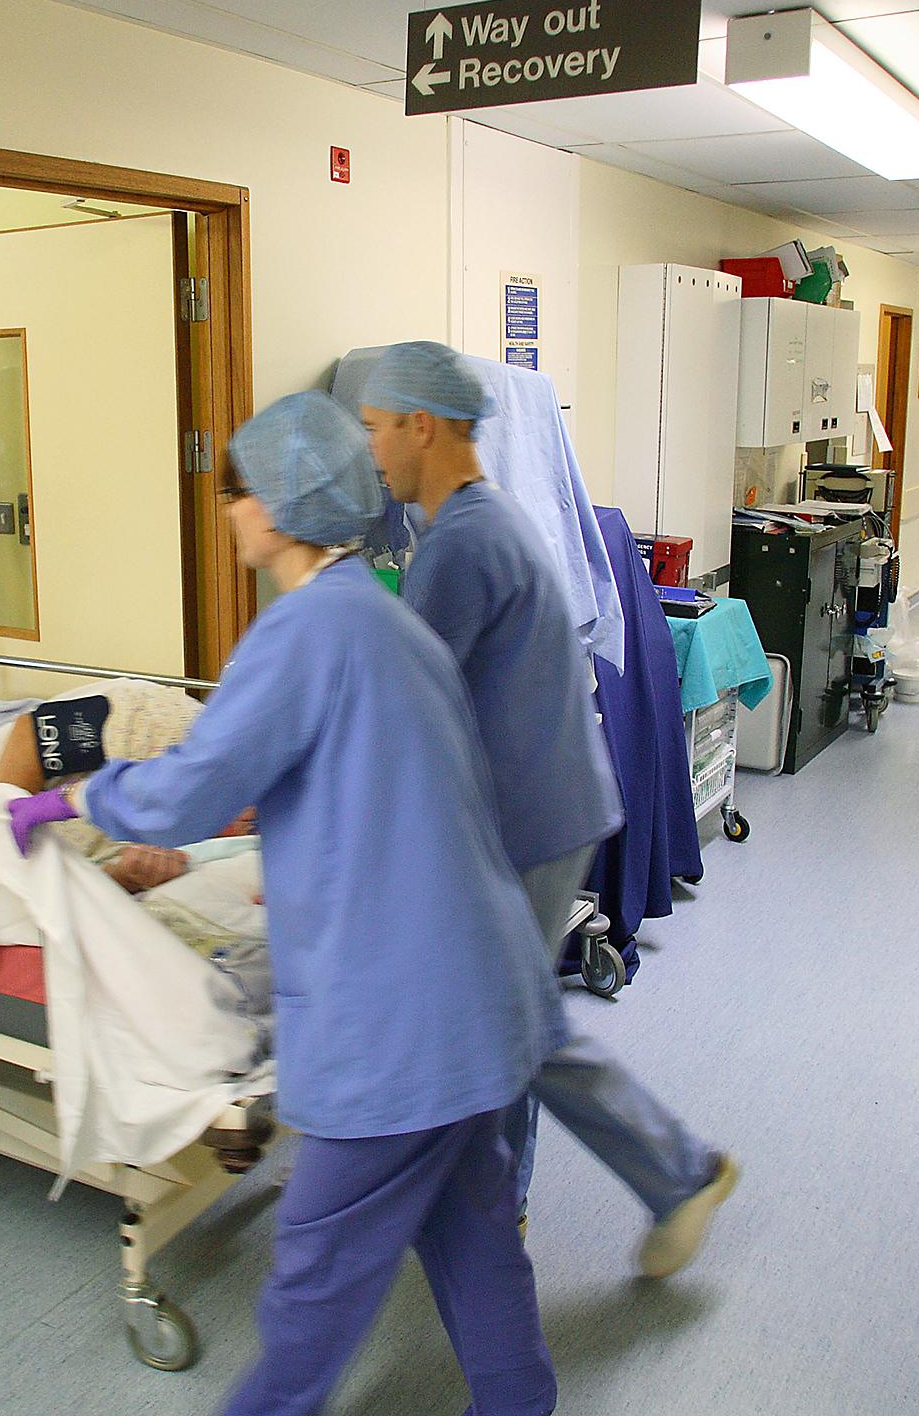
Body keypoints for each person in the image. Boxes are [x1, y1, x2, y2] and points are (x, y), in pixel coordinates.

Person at [9, 390, 563, 1416]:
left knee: (313, 1276)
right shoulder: (382, 619)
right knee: (473, 1239)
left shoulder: (303, 632)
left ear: (270, 505)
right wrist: (307, 846)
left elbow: (188, 790)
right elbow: (394, 785)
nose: (226, 514)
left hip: (392, 1032)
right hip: (475, 1001)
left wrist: (76, 795)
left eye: (232, 494)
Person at [358, 341, 738, 1277]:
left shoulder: (460, 544)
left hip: (527, 826)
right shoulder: (481, 523)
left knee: (513, 1028)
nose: (369, 455)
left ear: (421, 424)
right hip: (541, 811)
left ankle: (656, 1178)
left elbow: (417, 713)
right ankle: (561, 1195)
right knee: (511, 1022)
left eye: (373, 430)